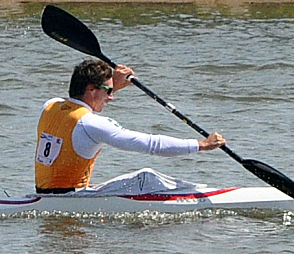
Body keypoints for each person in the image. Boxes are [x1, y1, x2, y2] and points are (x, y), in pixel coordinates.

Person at [34, 58, 226, 196]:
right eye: (108, 91)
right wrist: (201, 144)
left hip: (44, 194)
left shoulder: (50, 106)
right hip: (74, 197)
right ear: (91, 90)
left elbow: (80, 106)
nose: (112, 97)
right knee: (146, 177)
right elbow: (152, 144)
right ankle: (207, 194)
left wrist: (112, 84)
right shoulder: (91, 124)